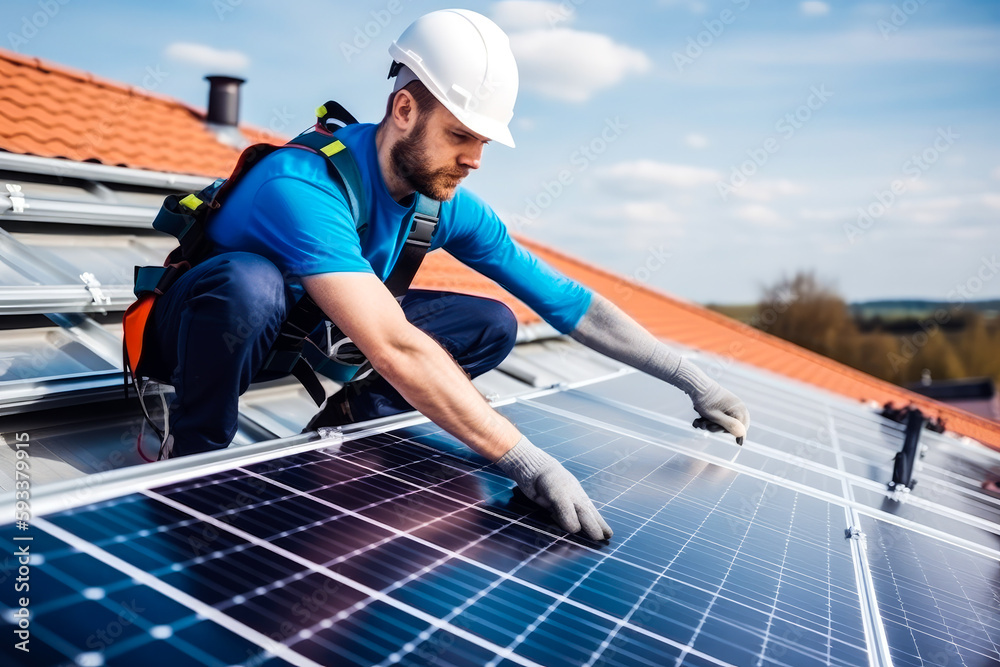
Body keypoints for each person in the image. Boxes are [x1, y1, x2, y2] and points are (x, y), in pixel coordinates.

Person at [137, 9, 750, 541]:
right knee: (251, 282)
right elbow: (394, 344)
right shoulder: (302, 187)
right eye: (460, 135)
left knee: (489, 322)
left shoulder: (442, 202)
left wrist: (696, 382)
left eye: (482, 141)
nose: (474, 160)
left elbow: (570, 303)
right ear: (404, 109)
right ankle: (195, 461)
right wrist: (526, 460)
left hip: (301, 332)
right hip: (199, 333)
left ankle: (348, 424)